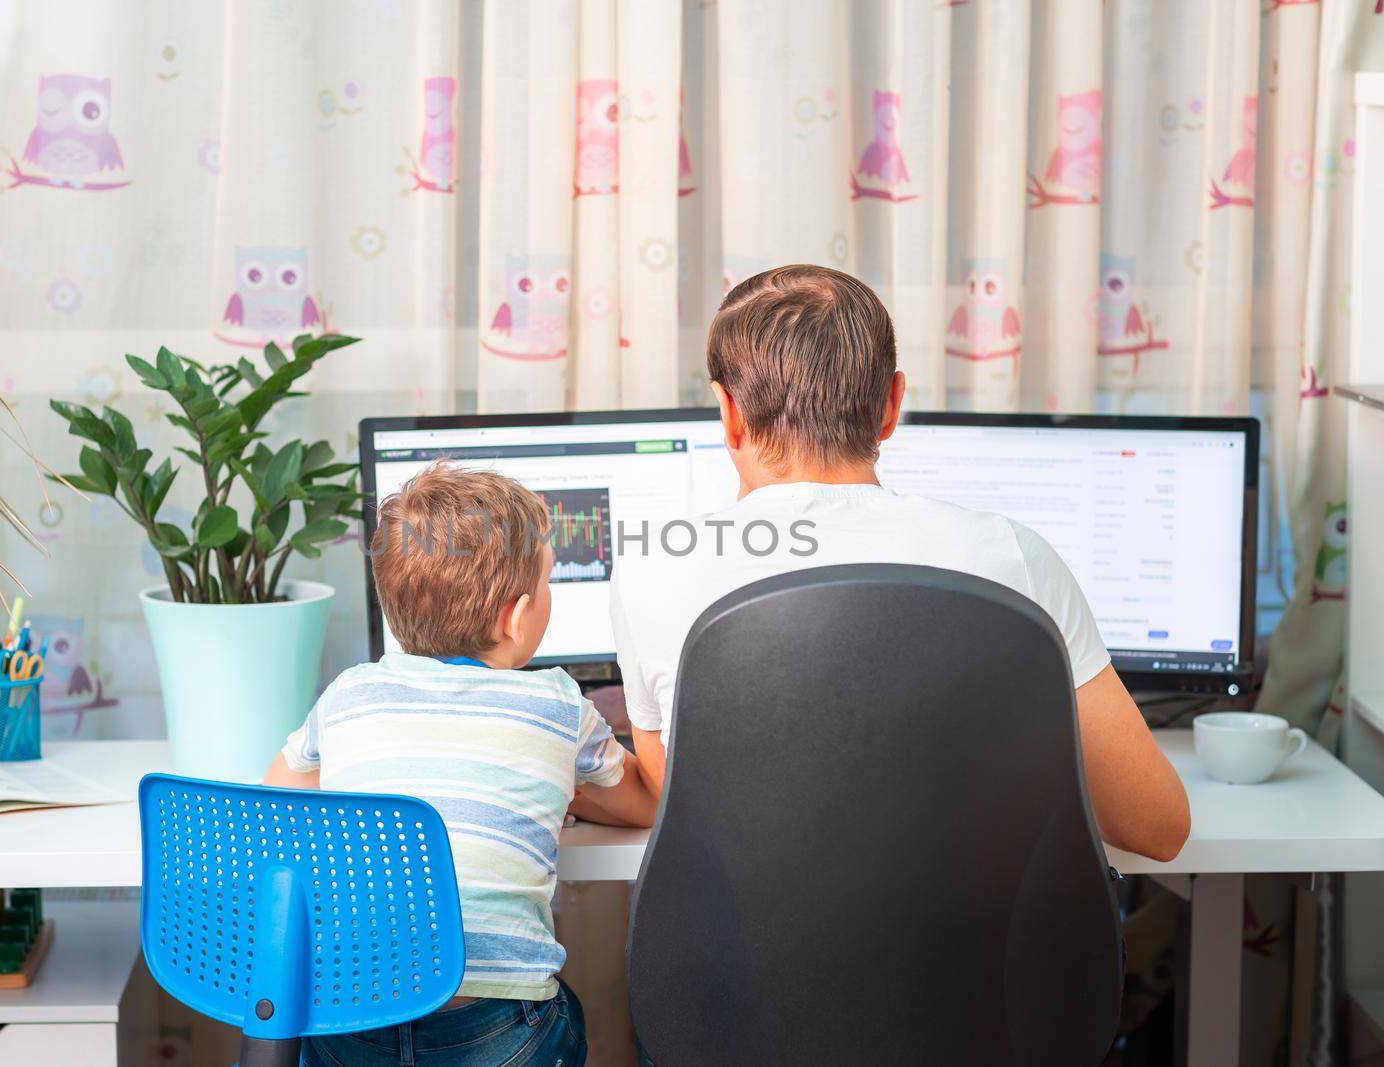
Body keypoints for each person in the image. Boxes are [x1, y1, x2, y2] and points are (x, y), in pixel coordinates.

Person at [609, 264, 1190, 862]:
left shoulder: (650, 568)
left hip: (731, 956)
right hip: (974, 955)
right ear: (892, 404)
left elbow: (672, 794)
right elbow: (1156, 827)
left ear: (728, 413)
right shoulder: (1014, 558)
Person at [265, 462, 657, 1067]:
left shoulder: (349, 693)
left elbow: (280, 793)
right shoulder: (555, 702)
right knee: (571, 1020)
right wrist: (554, 783)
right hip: (496, 1029)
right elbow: (644, 805)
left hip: (351, 1019)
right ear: (516, 616)